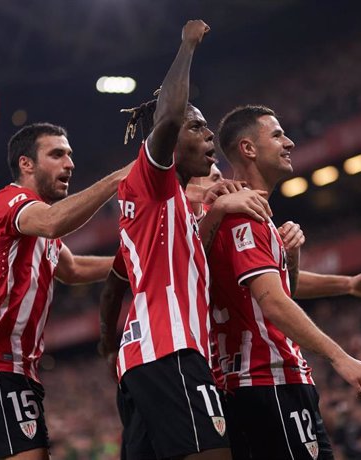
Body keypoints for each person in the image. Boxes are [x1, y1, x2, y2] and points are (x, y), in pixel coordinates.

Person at [113, 20, 271, 460]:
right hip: (170, 349)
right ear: (167, 140)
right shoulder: (150, 177)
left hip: (146, 357)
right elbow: (166, 116)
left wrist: (216, 213)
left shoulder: (173, 200)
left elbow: (182, 259)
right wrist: (186, 46)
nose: (208, 137)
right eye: (197, 128)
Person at [209, 105, 361, 460]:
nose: (288, 142)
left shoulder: (245, 214)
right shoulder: (242, 214)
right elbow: (272, 300)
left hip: (256, 382)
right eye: (276, 134)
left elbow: (275, 286)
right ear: (249, 149)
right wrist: (339, 357)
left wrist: (348, 284)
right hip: (267, 380)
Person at [0, 122, 132, 460]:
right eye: (57, 154)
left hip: (16, 365)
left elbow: (73, 269)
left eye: (70, 155)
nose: (70, 163)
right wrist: (118, 178)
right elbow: (53, 221)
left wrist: (137, 264)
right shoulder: (12, 201)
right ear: (27, 164)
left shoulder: (39, 224)